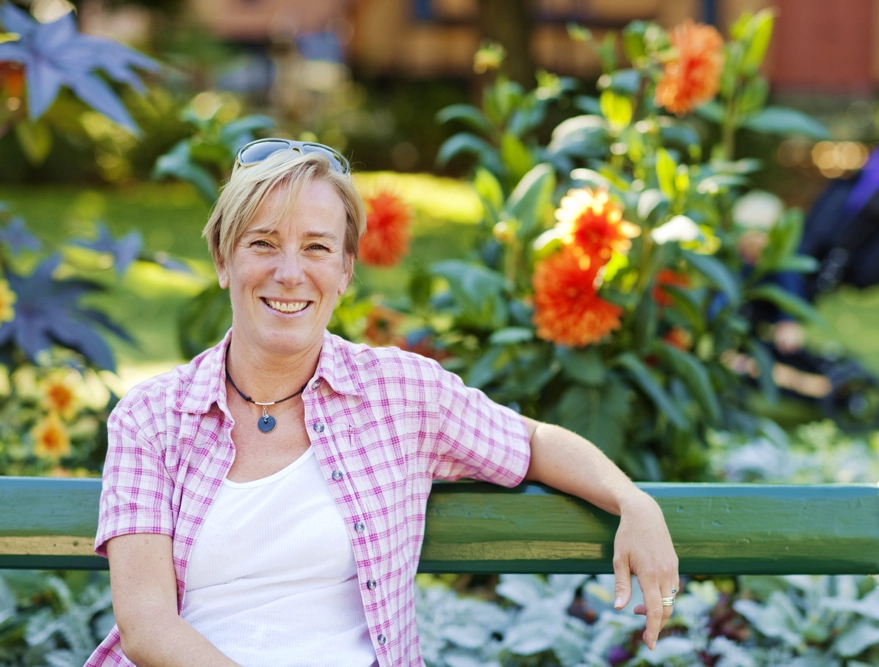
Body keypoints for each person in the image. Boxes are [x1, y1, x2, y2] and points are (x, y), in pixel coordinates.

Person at [84, 139, 680, 666]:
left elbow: (533, 443)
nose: (289, 273)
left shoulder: (401, 393)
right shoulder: (152, 418)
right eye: (262, 242)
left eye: (317, 248)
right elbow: (146, 625)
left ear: (345, 271)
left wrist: (633, 502)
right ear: (222, 259)